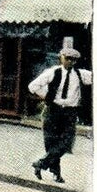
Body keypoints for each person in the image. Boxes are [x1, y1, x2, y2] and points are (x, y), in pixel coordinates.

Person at [27, 42, 92, 183]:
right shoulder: (53, 72)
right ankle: (56, 175)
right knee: (51, 143)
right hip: (53, 111)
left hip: (70, 112)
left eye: (73, 59)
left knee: (67, 143)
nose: (70, 61)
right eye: (67, 58)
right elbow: (32, 86)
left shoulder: (81, 75)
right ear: (61, 58)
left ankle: (41, 164)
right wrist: (47, 96)